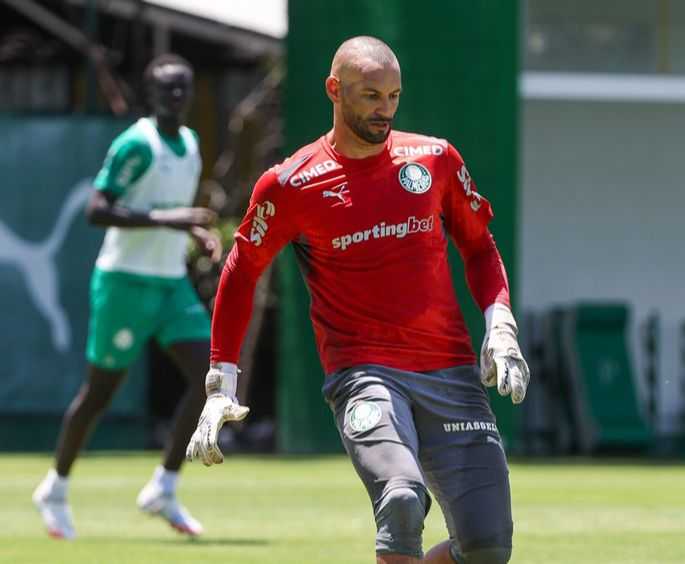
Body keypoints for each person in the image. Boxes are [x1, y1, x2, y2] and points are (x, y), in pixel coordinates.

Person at [185, 36, 529, 564]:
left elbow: (479, 246)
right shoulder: (291, 183)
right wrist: (220, 382)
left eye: (393, 96)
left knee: (487, 547)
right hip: (365, 374)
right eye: (370, 95)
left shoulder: (434, 160)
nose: (384, 109)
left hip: (451, 370)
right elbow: (240, 271)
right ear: (334, 89)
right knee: (401, 499)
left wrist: (499, 321)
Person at [32, 54, 222, 540]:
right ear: (151, 94)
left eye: (183, 88)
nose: (176, 97)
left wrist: (195, 235)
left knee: (209, 381)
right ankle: (54, 487)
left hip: (169, 282)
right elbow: (98, 210)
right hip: (123, 281)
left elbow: (173, 212)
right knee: (99, 394)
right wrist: (172, 220)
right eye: (167, 90)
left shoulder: (192, 144)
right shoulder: (137, 143)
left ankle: (165, 485)